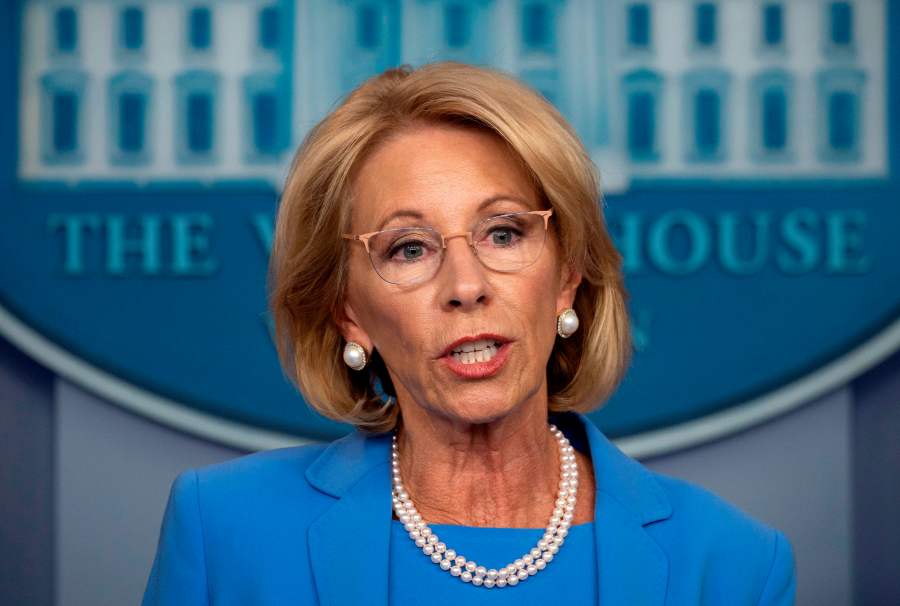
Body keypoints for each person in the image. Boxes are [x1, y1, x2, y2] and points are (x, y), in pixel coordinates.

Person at [141, 61, 796, 605]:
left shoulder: (733, 565)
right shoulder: (224, 531)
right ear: (349, 313)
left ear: (567, 278)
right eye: (408, 249)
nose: (466, 284)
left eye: (504, 233)